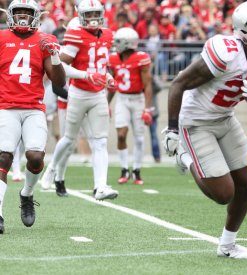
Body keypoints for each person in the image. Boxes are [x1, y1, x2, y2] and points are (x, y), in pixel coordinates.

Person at [162, 0, 247, 258]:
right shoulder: (225, 51)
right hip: (196, 121)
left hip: (225, 119)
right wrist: (172, 129)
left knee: (246, 184)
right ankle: (185, 155)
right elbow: (179, 83)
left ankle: (227, 244)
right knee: (224, 194)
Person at [0, 0, 66, 233]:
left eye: (28, 14)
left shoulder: (44, 40)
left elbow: (59, 82)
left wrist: (55, 56)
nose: (23, 18)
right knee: (3, 157)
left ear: (36, 17)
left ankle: (26, 194)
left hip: (33, 107)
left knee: (36, 157)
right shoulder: (1, 38)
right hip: (5, 106)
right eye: (18, 13)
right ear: (10, 15)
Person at [46, 0, 118, 200]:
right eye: (90, 14)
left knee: (101, 141)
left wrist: (108, 77)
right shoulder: (76, 34)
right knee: (69, 139)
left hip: (98, 94)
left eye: (97, 14)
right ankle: (52, 169)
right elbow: (60, 66)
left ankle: (101, 186)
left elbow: (103, 65)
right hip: (78, 93)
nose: (93, 19)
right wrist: (86, 75)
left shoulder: (108, 35)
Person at [107, 27, 153, 185]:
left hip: (138, 99)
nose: (116, 44)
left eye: (119, 41)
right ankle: (124, 169)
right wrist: (106, 103)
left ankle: (137, 170)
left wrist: (147, 108)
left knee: (139, 139)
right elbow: (112, 84)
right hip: (122, 99)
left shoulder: (141, 58)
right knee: (121, 135)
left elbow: (147, 85)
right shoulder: (113, 59)